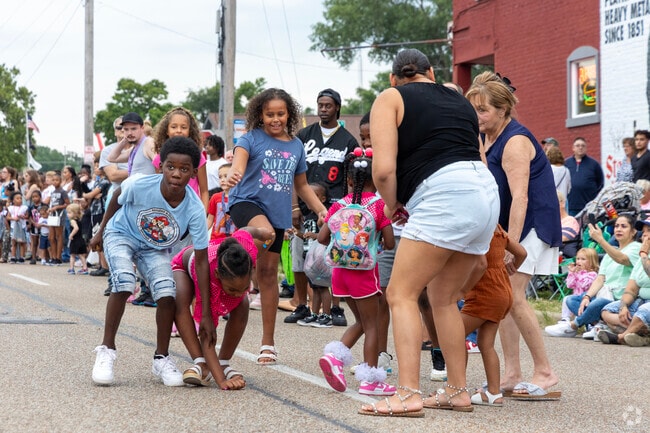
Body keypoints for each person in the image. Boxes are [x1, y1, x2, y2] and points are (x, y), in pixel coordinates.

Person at [358, 49, 499, 417]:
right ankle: (456, 391)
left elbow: (383, 170)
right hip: (484, 191)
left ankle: (407, 393)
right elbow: (480, 157)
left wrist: (392, 205)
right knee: (443, 296)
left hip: (444, 192)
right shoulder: (458, 99)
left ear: (393, 78)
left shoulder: (390, 98)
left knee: (400, 293)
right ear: (431, 73)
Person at [466, 71, 562, 399]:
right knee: (504, 298)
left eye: (483, 110)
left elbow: (520, 197)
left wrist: (513, 246)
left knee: (514, 295)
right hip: (511, 226)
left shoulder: (515, 141)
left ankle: (546, 373)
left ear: (503, 111)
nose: (477, 115)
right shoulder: (487, 138)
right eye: (474, 109)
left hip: (533, 224)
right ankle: (511, 373)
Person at [89, 136, 211, 387]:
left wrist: (206, 311)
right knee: (123, 281)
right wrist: (100, 232)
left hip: (153, 247)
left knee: (168, 294)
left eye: (184, 169)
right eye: (171, 167)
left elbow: (201, 260)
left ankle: (161, 358)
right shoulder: (140, 184)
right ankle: (106, 349)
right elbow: (116, 198)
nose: (176, 174)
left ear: (193, 173)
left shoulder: (195, 208)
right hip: (121, 233)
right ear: (160, 166)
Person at [224, 88, 328, 365]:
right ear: (260, 114)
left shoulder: (295, 145)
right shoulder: (250, 139)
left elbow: (302, 186)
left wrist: (321, 210)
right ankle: (228, 255)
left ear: (289, 114)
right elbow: (239, 163)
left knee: (268, 275)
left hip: (277, 213)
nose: (275, 119)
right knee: (265, 234)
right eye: (269, 114)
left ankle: (268, 343)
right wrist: (234, 175)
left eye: (280, 114)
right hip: (246, 203)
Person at [318, 148, 396, 396]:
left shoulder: (337, 205)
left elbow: (322, 238)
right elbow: (391, 243)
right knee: (372, 325)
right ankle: (371, 380)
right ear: (375, 178)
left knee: (362, 321)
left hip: (339, 273)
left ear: (349, 180)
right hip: (363, 271)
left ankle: (335, 357)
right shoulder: (378, 206)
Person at [285, 88, 357, 326]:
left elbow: (351, 179)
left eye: (328, 105)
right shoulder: (305, 135)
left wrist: (347, 208)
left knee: (331, 258)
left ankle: (335, 308)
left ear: (337, 107)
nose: (323, 109)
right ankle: (303, 305)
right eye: (320, 105)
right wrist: (294, 207)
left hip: (332, 207)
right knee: (299, 257)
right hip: (304, 207)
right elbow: (294, 174)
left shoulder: (348, 140)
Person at [173, 227, 272, 389]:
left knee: (243, 303)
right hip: (186, 267)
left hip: (217, 268)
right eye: (232, 290)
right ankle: (201, 363)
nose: (237, 293)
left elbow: (246, 231)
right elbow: (207, 335)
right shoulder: (210, 281)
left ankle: (223, 362)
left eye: (245, 287)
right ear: (219, 275)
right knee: (180, 301)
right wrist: (221, 381)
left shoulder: (248, 254)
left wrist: (263, 234)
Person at [545, 215, 640, 339]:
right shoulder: (609, 253)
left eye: (623, 226)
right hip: (604, 294)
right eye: (616, 226)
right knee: (571, 300)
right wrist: (587, 296)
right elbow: (600, 278)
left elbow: (622, 259)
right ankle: (596, 325)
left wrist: (601, 240)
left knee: (598, 303)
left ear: (633, 232)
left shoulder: (636, 248)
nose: (618, 229)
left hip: (619, 298)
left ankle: (573, 326)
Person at [464, 225, 527, 407]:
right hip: (502, 289)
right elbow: (522, 252)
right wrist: (512, 267)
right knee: (486, 343)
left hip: (484, 292)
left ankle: (456, 387)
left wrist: (462, 288)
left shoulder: (478, 228)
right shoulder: (497, 229)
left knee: (453, 335)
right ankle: (493, 393)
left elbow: (480, 263)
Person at [596, 218, 650, 344]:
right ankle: (642, 335)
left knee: (642, 312)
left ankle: (621, 337)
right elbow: (631, 289)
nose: (645, 234)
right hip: (641, 301)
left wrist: (643, 254)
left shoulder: (642, 256)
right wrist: (623, 306)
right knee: (607, 310)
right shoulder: (641, 260)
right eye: (644, 231)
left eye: (649, 231)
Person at [151, 107, 209, 212]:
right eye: (174, 127)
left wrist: (203, 214)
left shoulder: (198, 157)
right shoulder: (159, 158)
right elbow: (158, 188)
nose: (178, 131)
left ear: (190, 131)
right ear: (167, 131)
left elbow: (204, 190)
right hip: (168, 211)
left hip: (192, 210)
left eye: (183, 127)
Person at [565, 137, 604, 215]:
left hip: (588, 206)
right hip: (571, 206)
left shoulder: (594, 164)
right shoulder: (566, 163)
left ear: (586, 148)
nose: (580, 147)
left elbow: (600, 183)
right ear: (573, 148)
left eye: (583, 146)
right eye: (578, 145)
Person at [558, 247, 599, 321]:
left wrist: (581, 273)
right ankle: (565, 319)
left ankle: (587, 320)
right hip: (576, 297)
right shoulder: (577, 272)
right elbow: (570, 285)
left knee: (571, 300)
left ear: (592, 262)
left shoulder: (593, 274)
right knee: (566, 298)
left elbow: (584, 285)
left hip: (587, 299)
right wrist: (571, 273)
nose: (579, 261)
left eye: (583, 259)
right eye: (578, 259)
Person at [207, 163, 235, 241]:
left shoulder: (240, 198)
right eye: (220, 177)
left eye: (226, 176)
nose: (222, 180)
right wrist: (201, 232)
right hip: (216, 239)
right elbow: (210, 219)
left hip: (234, 240)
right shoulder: (215, 197)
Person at [46, 172, 69, 265]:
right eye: (53, 180)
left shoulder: (63, 192)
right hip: (52, 215)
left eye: (57, 180)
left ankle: (58, 257)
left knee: (58, 236)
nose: (55, 182)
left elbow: (67, 203)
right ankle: (53, 256)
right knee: (51, 237)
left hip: (60, 215)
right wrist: (50, 209)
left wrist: (57, 207)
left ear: (60, 181)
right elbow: (52, 202)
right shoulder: (53, 192)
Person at [65, 203, 88, 275]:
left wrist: (71, 235)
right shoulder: (79, 220)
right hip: (81, 239)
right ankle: (85, 268)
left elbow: (76, 228)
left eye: (69, 213)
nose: (67, 214)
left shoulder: (72, 221)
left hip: (75, 240)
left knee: (72, 255)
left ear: (75, 213)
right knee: (81, 255)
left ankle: (71, 268)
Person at [7, 191, 28, 263]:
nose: (19, 200)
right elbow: (8, 217)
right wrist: (13, 218)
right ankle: (13, 257)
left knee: (22, 242)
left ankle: (21, 257)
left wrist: (23, 217)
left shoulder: (24, 208)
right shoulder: (11, 208)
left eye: (20, 198)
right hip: (14, 227)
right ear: (13, 200)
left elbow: (27, 216)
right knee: (14, 242)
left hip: (21, 227)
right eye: (17, 198)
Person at [27, 190, 43, 264]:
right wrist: (33, 223)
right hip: (34, 226)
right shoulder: (31, 207)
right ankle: (33, 257)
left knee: (44, 241)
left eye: (36, 196)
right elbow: (29, 216)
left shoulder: (44, 206)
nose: (34, 198)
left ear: (40, 197)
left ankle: (45, 257)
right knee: (34, 242)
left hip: (43, 226)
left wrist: (41, 223)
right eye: (33, 197)